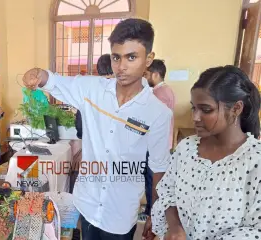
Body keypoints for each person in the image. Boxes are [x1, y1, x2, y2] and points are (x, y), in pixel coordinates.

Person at [22, 18, 172, 239]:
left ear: (149, 58)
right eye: (116, 57)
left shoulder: (157, 113)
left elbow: (159, 169)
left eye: (132, 57)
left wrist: (154, 213)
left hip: (120, 214)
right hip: (87, 204)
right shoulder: (93, 90)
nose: (121, 67)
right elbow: (55, 82)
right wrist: (38, 75)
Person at [151, 65, 261, 240]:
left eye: (206, 110)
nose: (195, 117)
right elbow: (167, 191)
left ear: (236, 109)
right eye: (194, 108)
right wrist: (175, 227)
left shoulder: (255, 161)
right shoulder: (186, 148)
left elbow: (256, 230)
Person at [140, 59, 176, 221]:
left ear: (155, 74)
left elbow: (150, 122)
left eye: (146, 74)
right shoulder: (167, 91)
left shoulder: (158, 94)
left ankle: (150, 213)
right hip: (162, 143)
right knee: (154, 180)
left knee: (152, 180)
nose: (144, 78)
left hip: (155, 145)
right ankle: (151, 210)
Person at [75, 54, 114, 140]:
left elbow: (80, 124)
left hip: (91, 143)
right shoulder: (122, 89)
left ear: (98, 69)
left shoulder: (88, 88)